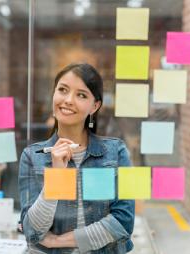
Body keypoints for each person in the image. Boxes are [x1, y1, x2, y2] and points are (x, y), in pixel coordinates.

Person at [18, 63, 135, 254]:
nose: (68, 100)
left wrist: (56, 241)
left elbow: (122, 223)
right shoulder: (32, 156)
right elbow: (32, 231)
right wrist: (57, 176)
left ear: (94, 106)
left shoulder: (116, 153)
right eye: (63, 90)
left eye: (81, 95)